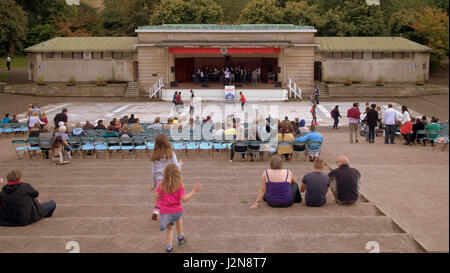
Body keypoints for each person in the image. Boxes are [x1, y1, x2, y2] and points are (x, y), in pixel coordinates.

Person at [155, 164, 201, 252]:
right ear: (177, 174)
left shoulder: (162, 185)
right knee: (178, 218)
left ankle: (169, 247)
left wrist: (160, 194)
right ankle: (180, 237)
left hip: (165, 212)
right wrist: (194, 191)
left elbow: (157, 196)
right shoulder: (179, 185)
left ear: (165, 174)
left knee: (169, 229)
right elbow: (184, 199)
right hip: (177, 211)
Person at [151, 134, 183, 221]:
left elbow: (153, 171)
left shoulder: (155, 155)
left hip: (159, 180)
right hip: (170, 179)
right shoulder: (171, 153)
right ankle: (167, 214)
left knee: (160, 196)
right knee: (170, 197)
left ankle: (156, 211)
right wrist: (180, 164)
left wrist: (153, 184)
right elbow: (175, 166)